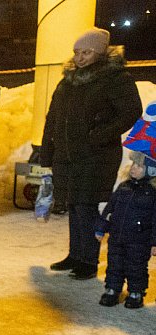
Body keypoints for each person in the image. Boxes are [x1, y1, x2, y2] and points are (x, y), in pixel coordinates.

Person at [40, 28, 142, 280]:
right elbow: (52, 118)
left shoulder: (115, 78)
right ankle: (76, 254)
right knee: (74, 204)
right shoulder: (69, 80)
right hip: (68, 153)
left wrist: (100, 134)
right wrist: (47, 151)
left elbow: (130, 112)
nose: (80, 57)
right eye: (77, 52)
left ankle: (88, 260)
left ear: (99, 52)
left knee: (85, 206)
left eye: (86, 52)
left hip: (96, 155)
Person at [96, 136, 156, 308]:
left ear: (151, 171)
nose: (134, 169)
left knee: (135, 267)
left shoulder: (152, 194)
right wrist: (101, 228)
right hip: (117, 238)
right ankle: (112, 290)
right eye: (133, 165)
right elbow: (110, 209)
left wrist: (154, 242)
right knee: (114, 265)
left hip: (139, 241)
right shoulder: (124, 187)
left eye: (139, 166)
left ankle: (136, 293)